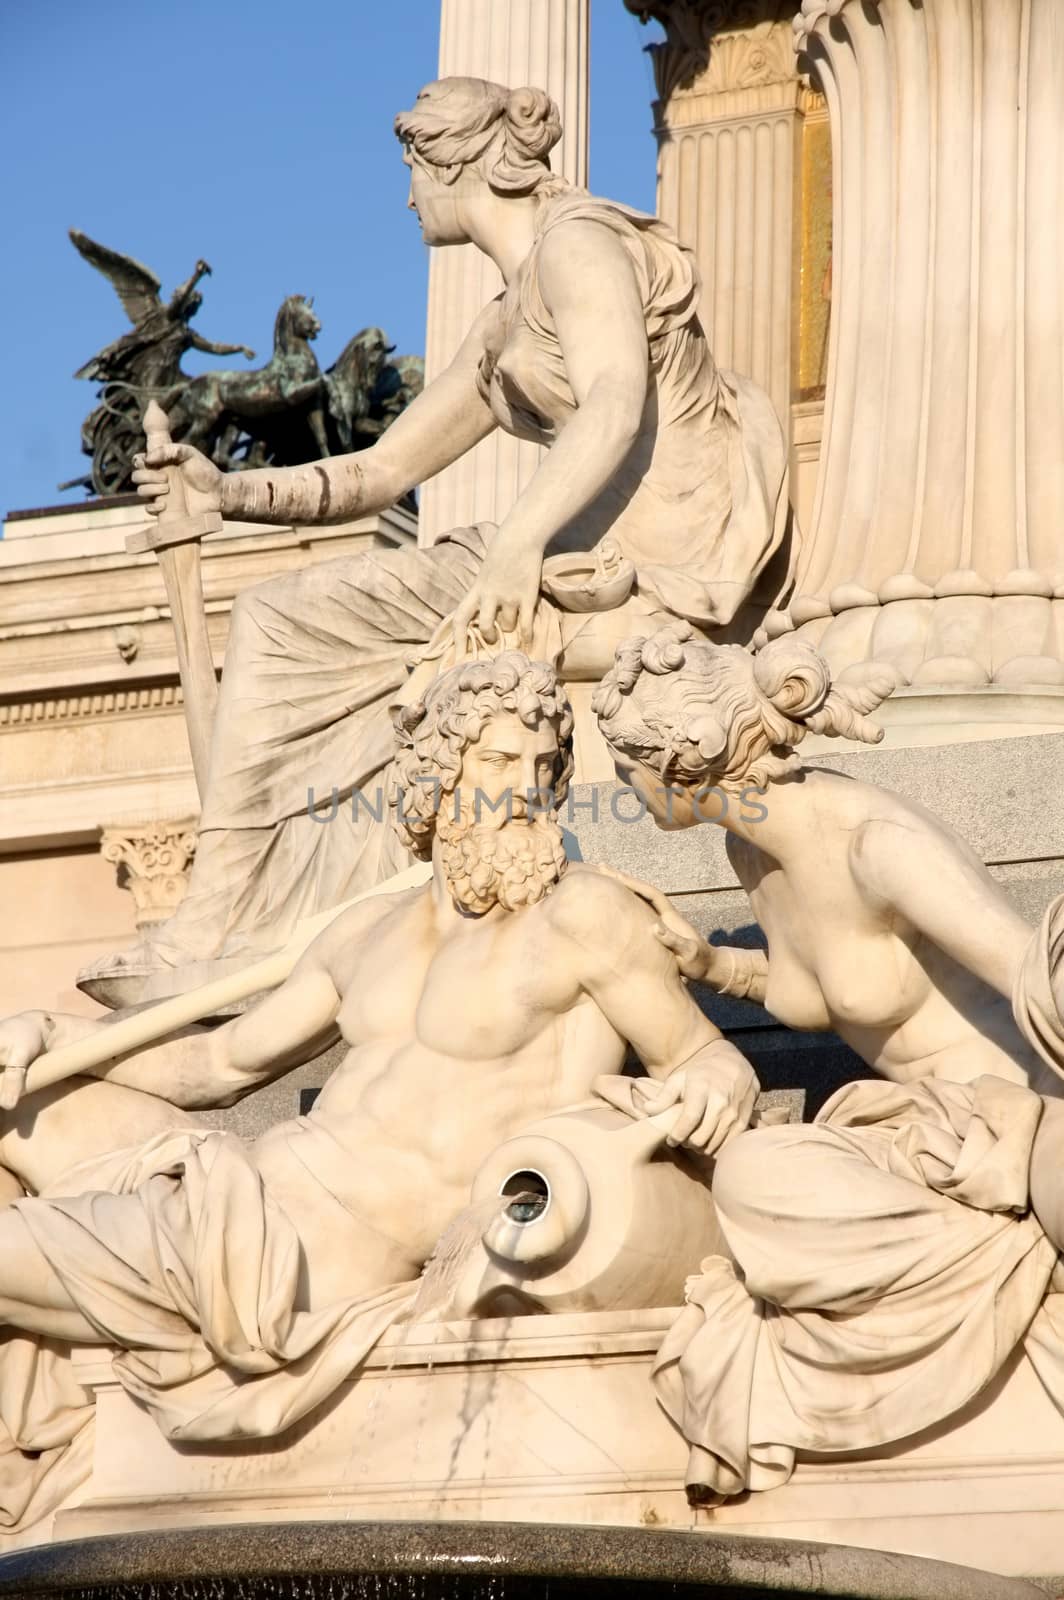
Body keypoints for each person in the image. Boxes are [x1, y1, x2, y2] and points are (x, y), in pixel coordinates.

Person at [0, 652, 757, 1531]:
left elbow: (703, 1056)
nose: (527, 787)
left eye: (545, 766)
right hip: (230, 1187)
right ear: (440, 768)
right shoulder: (365, 930)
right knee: (12, 1102)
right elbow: (214, 1068)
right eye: (498, 762)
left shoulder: (581, 915)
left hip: (298, 1263)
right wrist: (50, 1035)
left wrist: (707, 1080)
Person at [83, 75, 789, 1003]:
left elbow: (614, 403)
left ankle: (226, 917)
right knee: (273, 616)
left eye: (413, 170)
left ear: (456, 164)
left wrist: (515, 548)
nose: (406, 195)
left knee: (316, 639)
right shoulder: (505, 318)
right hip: (553, 542)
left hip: (651, 554)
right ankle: (234, 911)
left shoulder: (580, 246)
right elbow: (380, 471)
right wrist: (225, 490)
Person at [591, 621, 1064, 1502]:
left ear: (677, 761)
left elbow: (1029, 973)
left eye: (625, 765)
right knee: (757, 1169)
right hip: (919, 1133)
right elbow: (809, 982)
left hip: (1021, 1115)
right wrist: (707, 966)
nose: (620, 786)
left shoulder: (872, 844)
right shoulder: (751, 847)